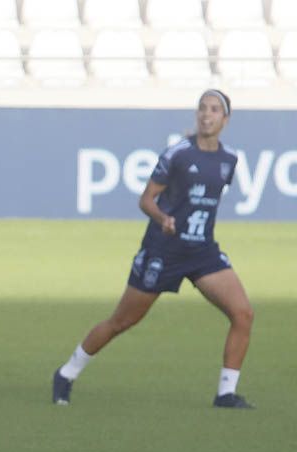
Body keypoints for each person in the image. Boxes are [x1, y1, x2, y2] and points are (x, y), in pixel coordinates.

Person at [53, 90, 255, 409]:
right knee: (122, 321)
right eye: (202, 108)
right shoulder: (178, 154)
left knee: (243, 314)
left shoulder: (229, 159)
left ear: (225, 119)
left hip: (202, 251)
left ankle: (226, 394)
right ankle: (66, 373)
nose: (207, 114)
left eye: (215, 110)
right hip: (164, 250)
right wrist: (162, 217)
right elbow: (146, 199)